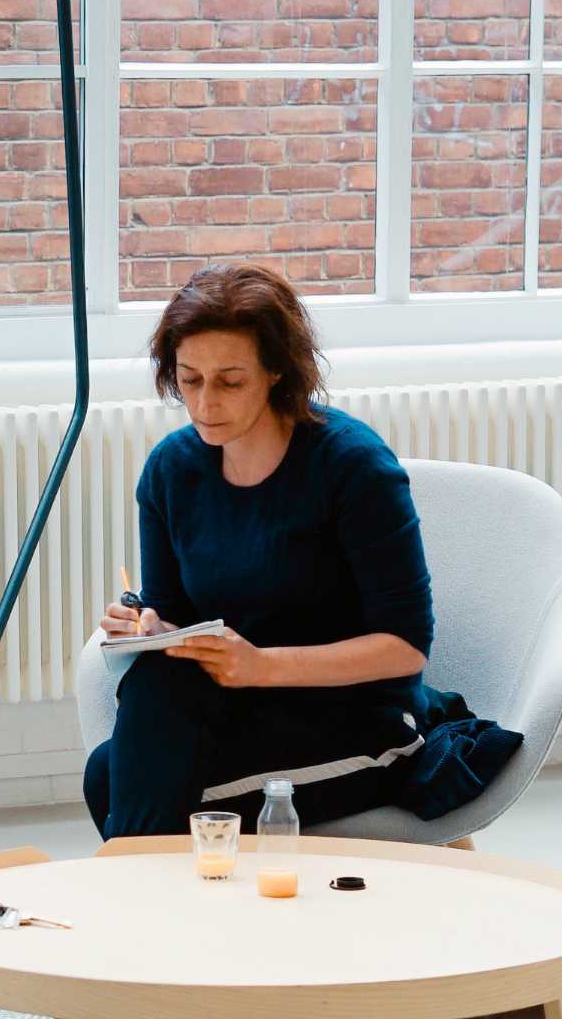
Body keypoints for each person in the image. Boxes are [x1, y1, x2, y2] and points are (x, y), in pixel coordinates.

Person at [85, 264, 436, 839]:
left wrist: (261, 666)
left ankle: (138, 912)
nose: (204, 403)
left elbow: (405, 648)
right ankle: (165, 912)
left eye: (230, 381)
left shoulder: (352, 467)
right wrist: (149, 626)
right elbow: (175, 616)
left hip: (360, 722)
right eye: (189, 379)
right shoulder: (172, 470)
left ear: (276, 370)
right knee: (123, 744)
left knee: (116, 783)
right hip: (245, 708)